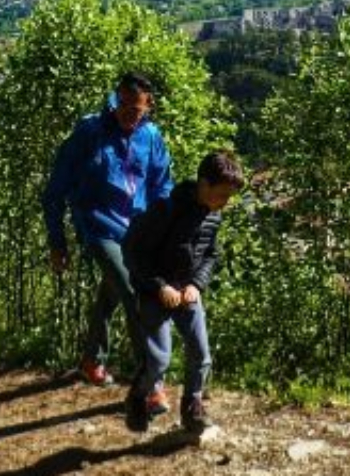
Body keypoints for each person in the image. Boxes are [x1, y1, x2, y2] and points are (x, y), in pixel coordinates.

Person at [42, 72, 174, 401]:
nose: (128, 114)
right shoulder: (89, 132)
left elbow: (161, 186)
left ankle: (91, 360)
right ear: (115, 99)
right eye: (123, 106)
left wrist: (163, 231)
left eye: (136, 110)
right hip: (98, 226)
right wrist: (57, 241)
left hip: (137, 230)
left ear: (149, 106)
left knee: (111, 293)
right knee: (133, 292)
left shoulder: (151, 136)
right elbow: (55, 189)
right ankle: (150, 382)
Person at [123, 150, 245, 433]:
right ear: (204, 184)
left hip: (186, 291)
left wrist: (196, 284)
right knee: (158, 359)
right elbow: (132, 251)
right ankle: (138, 398)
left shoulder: (213, 217)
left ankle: (193, 407)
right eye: (222, 194)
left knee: (201, 354)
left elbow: (211, 255)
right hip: (154, 293)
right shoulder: (164, 211)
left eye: (230, 196)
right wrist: (159, 285)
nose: (225, 202)